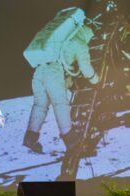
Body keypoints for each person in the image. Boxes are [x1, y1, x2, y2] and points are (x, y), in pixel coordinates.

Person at [23, 25, 99, 154]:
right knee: (60, 104)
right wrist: (96, 80)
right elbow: (85, 68)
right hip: (54, 71)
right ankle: (69, 137)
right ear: (87, 34)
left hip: (38, 71)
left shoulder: (62, 38)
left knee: (40, 105)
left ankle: (30, 137)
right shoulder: (79, 42)